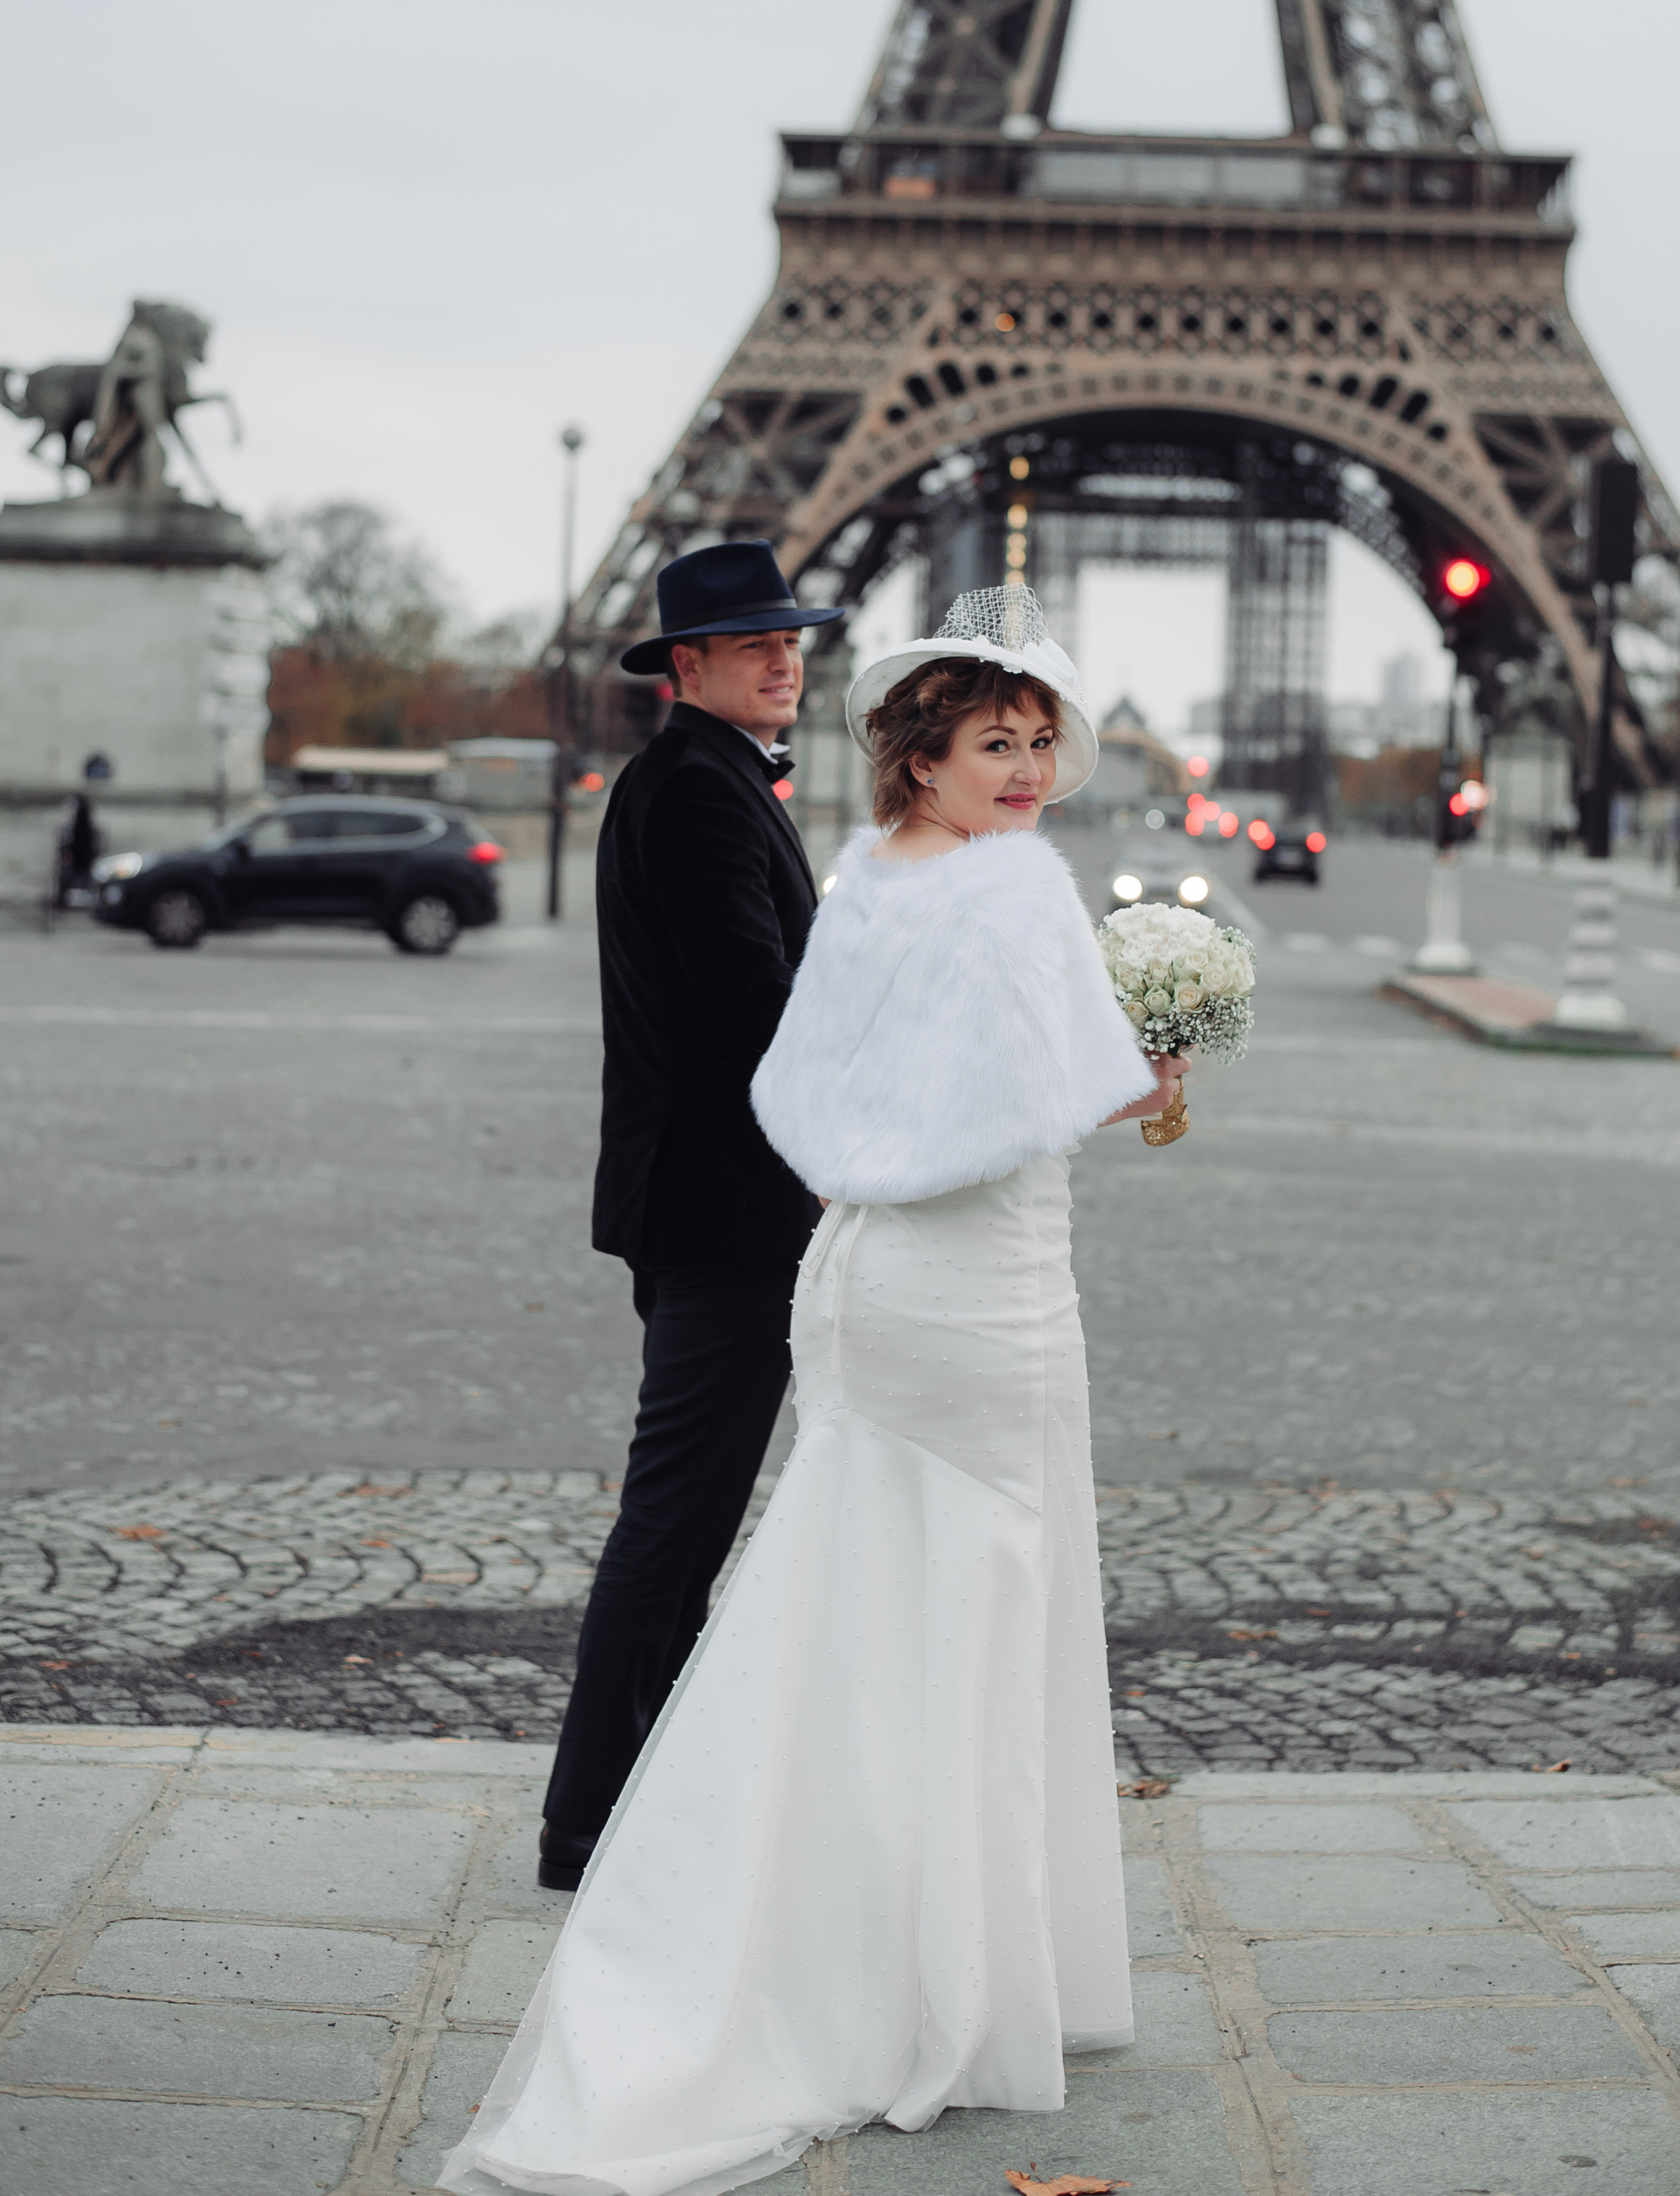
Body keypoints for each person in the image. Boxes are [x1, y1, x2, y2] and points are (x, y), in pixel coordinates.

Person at [443, 587, 1183, 2196]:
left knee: (866, 1593)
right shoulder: (1007, 891)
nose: (1026, 770)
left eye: (1038, 741)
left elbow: (810, 1082)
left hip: (874, 1279)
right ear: (921, 751)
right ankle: (953, 1973)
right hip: (970, 1292)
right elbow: (1009, 1094)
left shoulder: (863, 873)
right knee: (979, 1598)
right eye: (996, 741)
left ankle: (811, 1912)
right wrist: (1145, 1079)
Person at [535, 540, 849, 1895]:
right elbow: (755, 1019)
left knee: (688, 1514)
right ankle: (589, 1819)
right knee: (674, 1519)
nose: (787, 658)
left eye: (793, 639)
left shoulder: (706, 780)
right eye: (756, 643)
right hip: (730, 1213)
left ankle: (626, 1798)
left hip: (713, 1200)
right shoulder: (701, 795)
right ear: (685, 666)